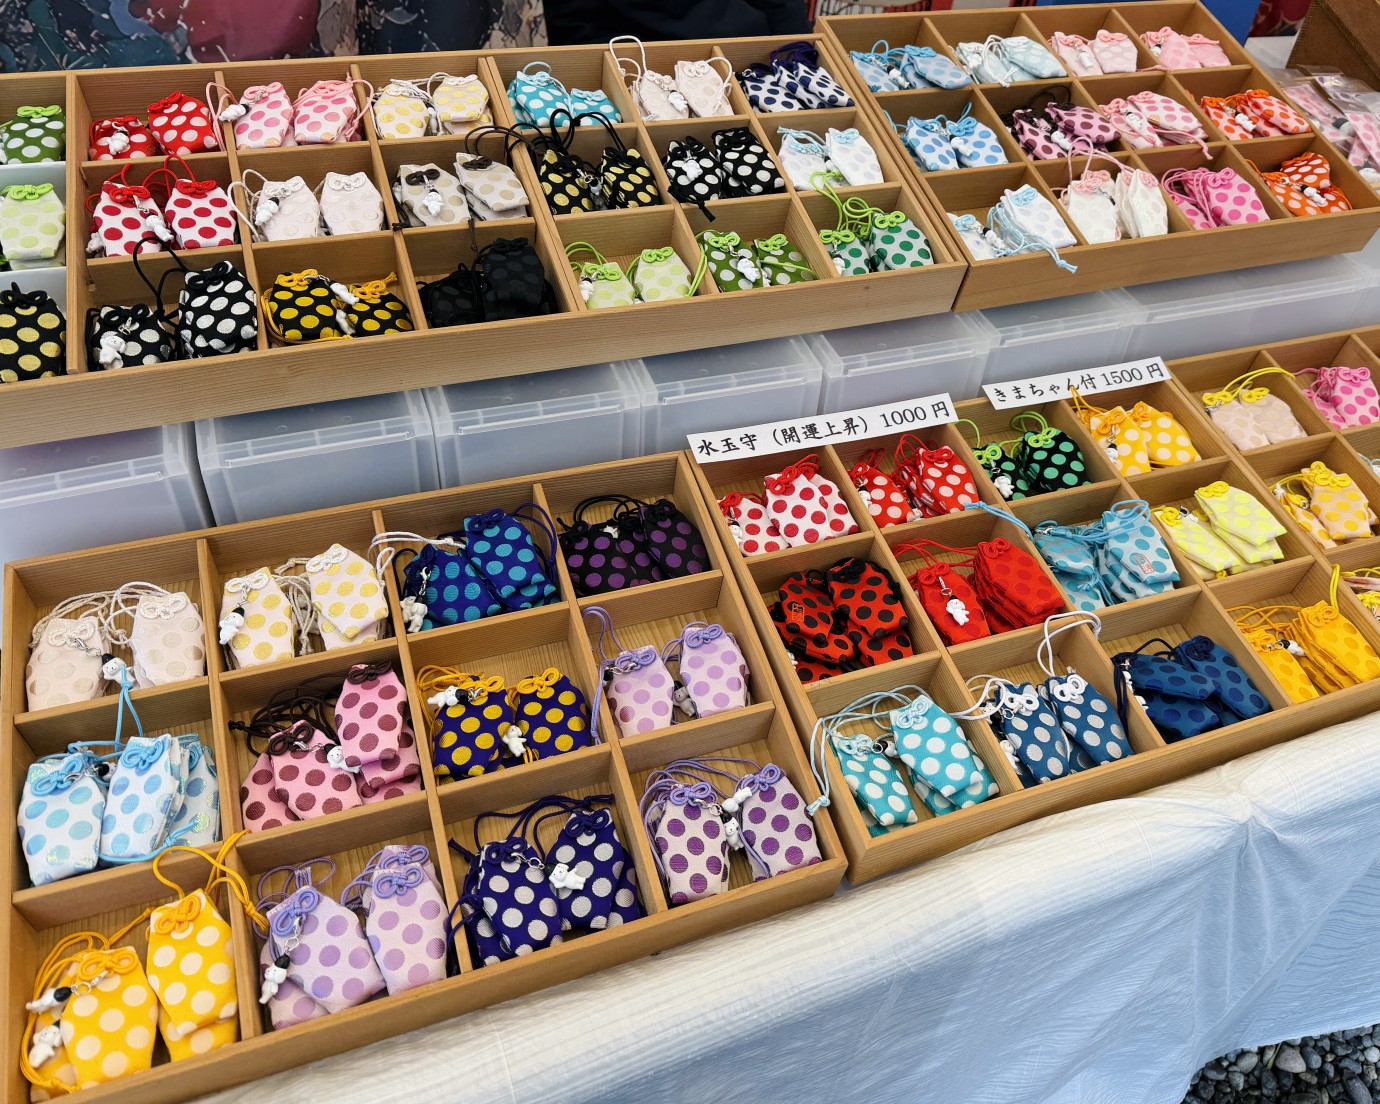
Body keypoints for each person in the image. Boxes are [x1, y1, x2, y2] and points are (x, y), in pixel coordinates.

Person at [543, 0, 808, 47]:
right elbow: (574, 27)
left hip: (746, 50)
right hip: (631, 61)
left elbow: (784, 8)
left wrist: (799, 52)